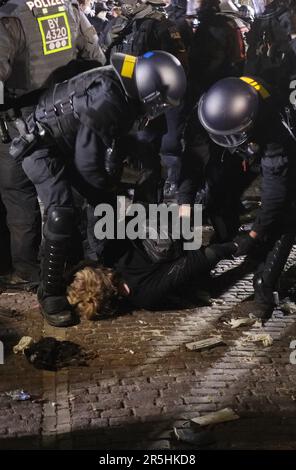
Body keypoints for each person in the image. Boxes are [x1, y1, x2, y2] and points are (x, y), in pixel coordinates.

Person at [12, 50, 186, 327]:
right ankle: (49, 292)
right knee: (62, 212)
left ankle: (94, 262)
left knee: (100, 203)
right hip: (43, 148)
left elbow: (113, 144)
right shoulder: (109, 98)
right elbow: (88, 164)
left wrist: (140, 174)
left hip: (67, 144)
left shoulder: (124, 88)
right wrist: (113, 191)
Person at [0, 0, 105, 288]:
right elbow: (95, 56)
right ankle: (76, 259)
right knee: (72, 190)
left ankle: (29, 270)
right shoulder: (69, 8)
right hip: (65, 113)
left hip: (21, 120)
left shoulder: (12, 17)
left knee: (19, 197)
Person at [198, 75, 296, 319]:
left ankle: (265, 284)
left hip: (285, 160)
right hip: (254, 140)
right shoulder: (224, 97)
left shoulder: (277, 140)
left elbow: (275, 198)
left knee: (285, 218)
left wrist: (254, 234)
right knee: (221, 191)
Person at [67, 238, 237, 317]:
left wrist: (236, 245)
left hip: (183, 243)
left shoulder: (145, 296)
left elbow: (199, 260)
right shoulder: (114, 254)